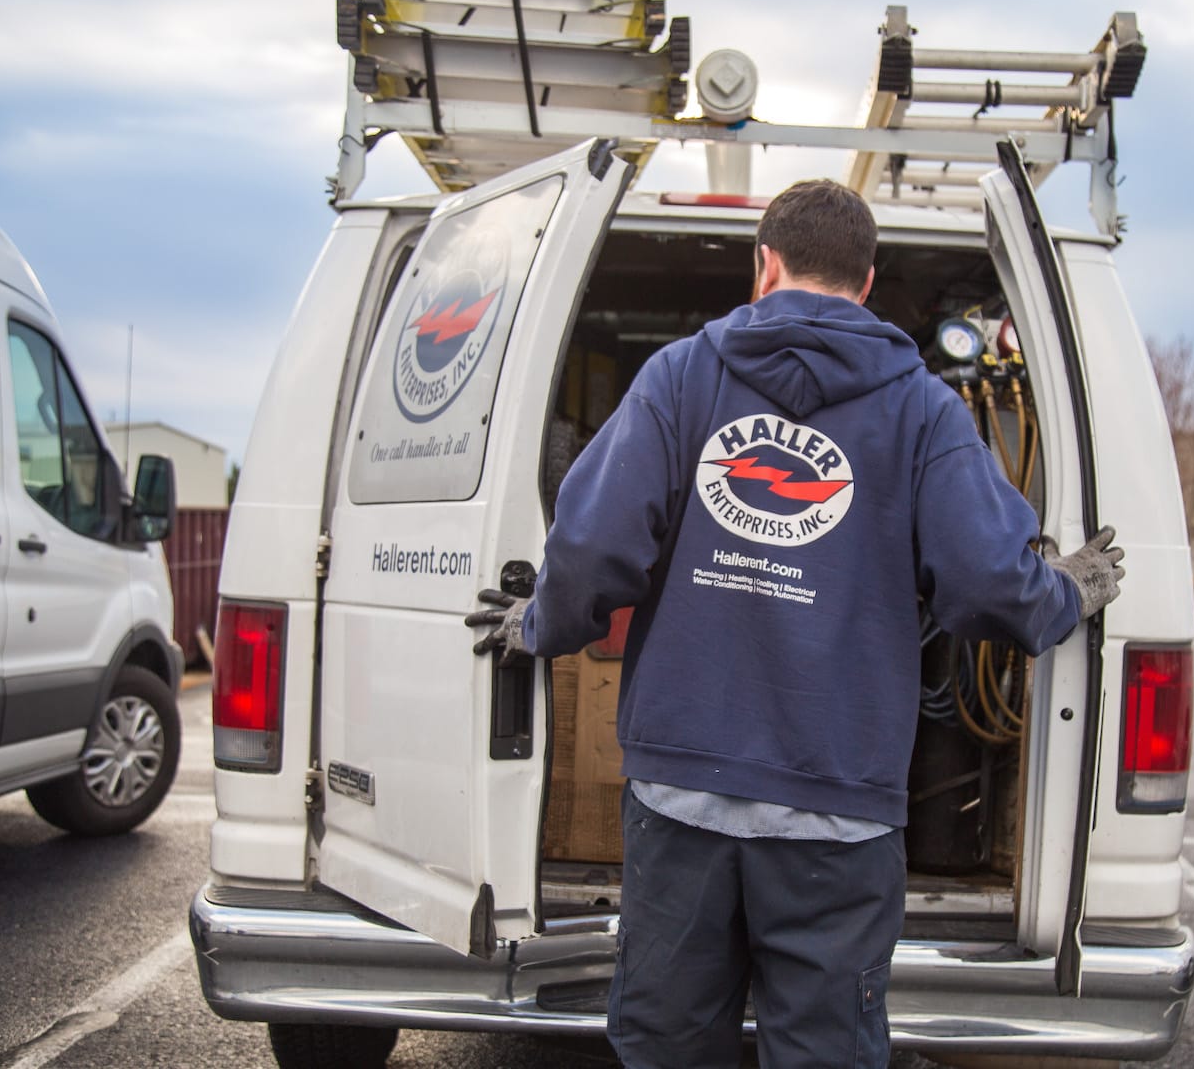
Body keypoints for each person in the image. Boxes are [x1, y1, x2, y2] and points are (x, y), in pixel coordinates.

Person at [466, 179, 1124, 1069]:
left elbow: (591, 550)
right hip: (838, 815)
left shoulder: (682, 375)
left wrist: (538, 624)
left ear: (763, 265)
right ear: (867, 280)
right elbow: (989, 584)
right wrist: (1066, 594)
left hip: (681, 801)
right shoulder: (924, 407)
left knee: (667, 1047)